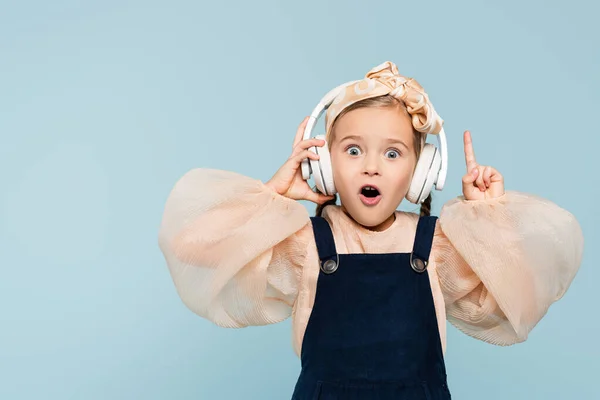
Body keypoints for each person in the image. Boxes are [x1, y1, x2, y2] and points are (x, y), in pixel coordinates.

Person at [157, 61, 584, 399]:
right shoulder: (305, 244)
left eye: (393, 153)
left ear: (421, 174)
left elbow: (522, 299)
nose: (371, 166)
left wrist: (490, 219)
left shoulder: (436, 247)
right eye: (354, 149)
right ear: (323, 163)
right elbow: (192, 246)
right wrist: (273, 195)